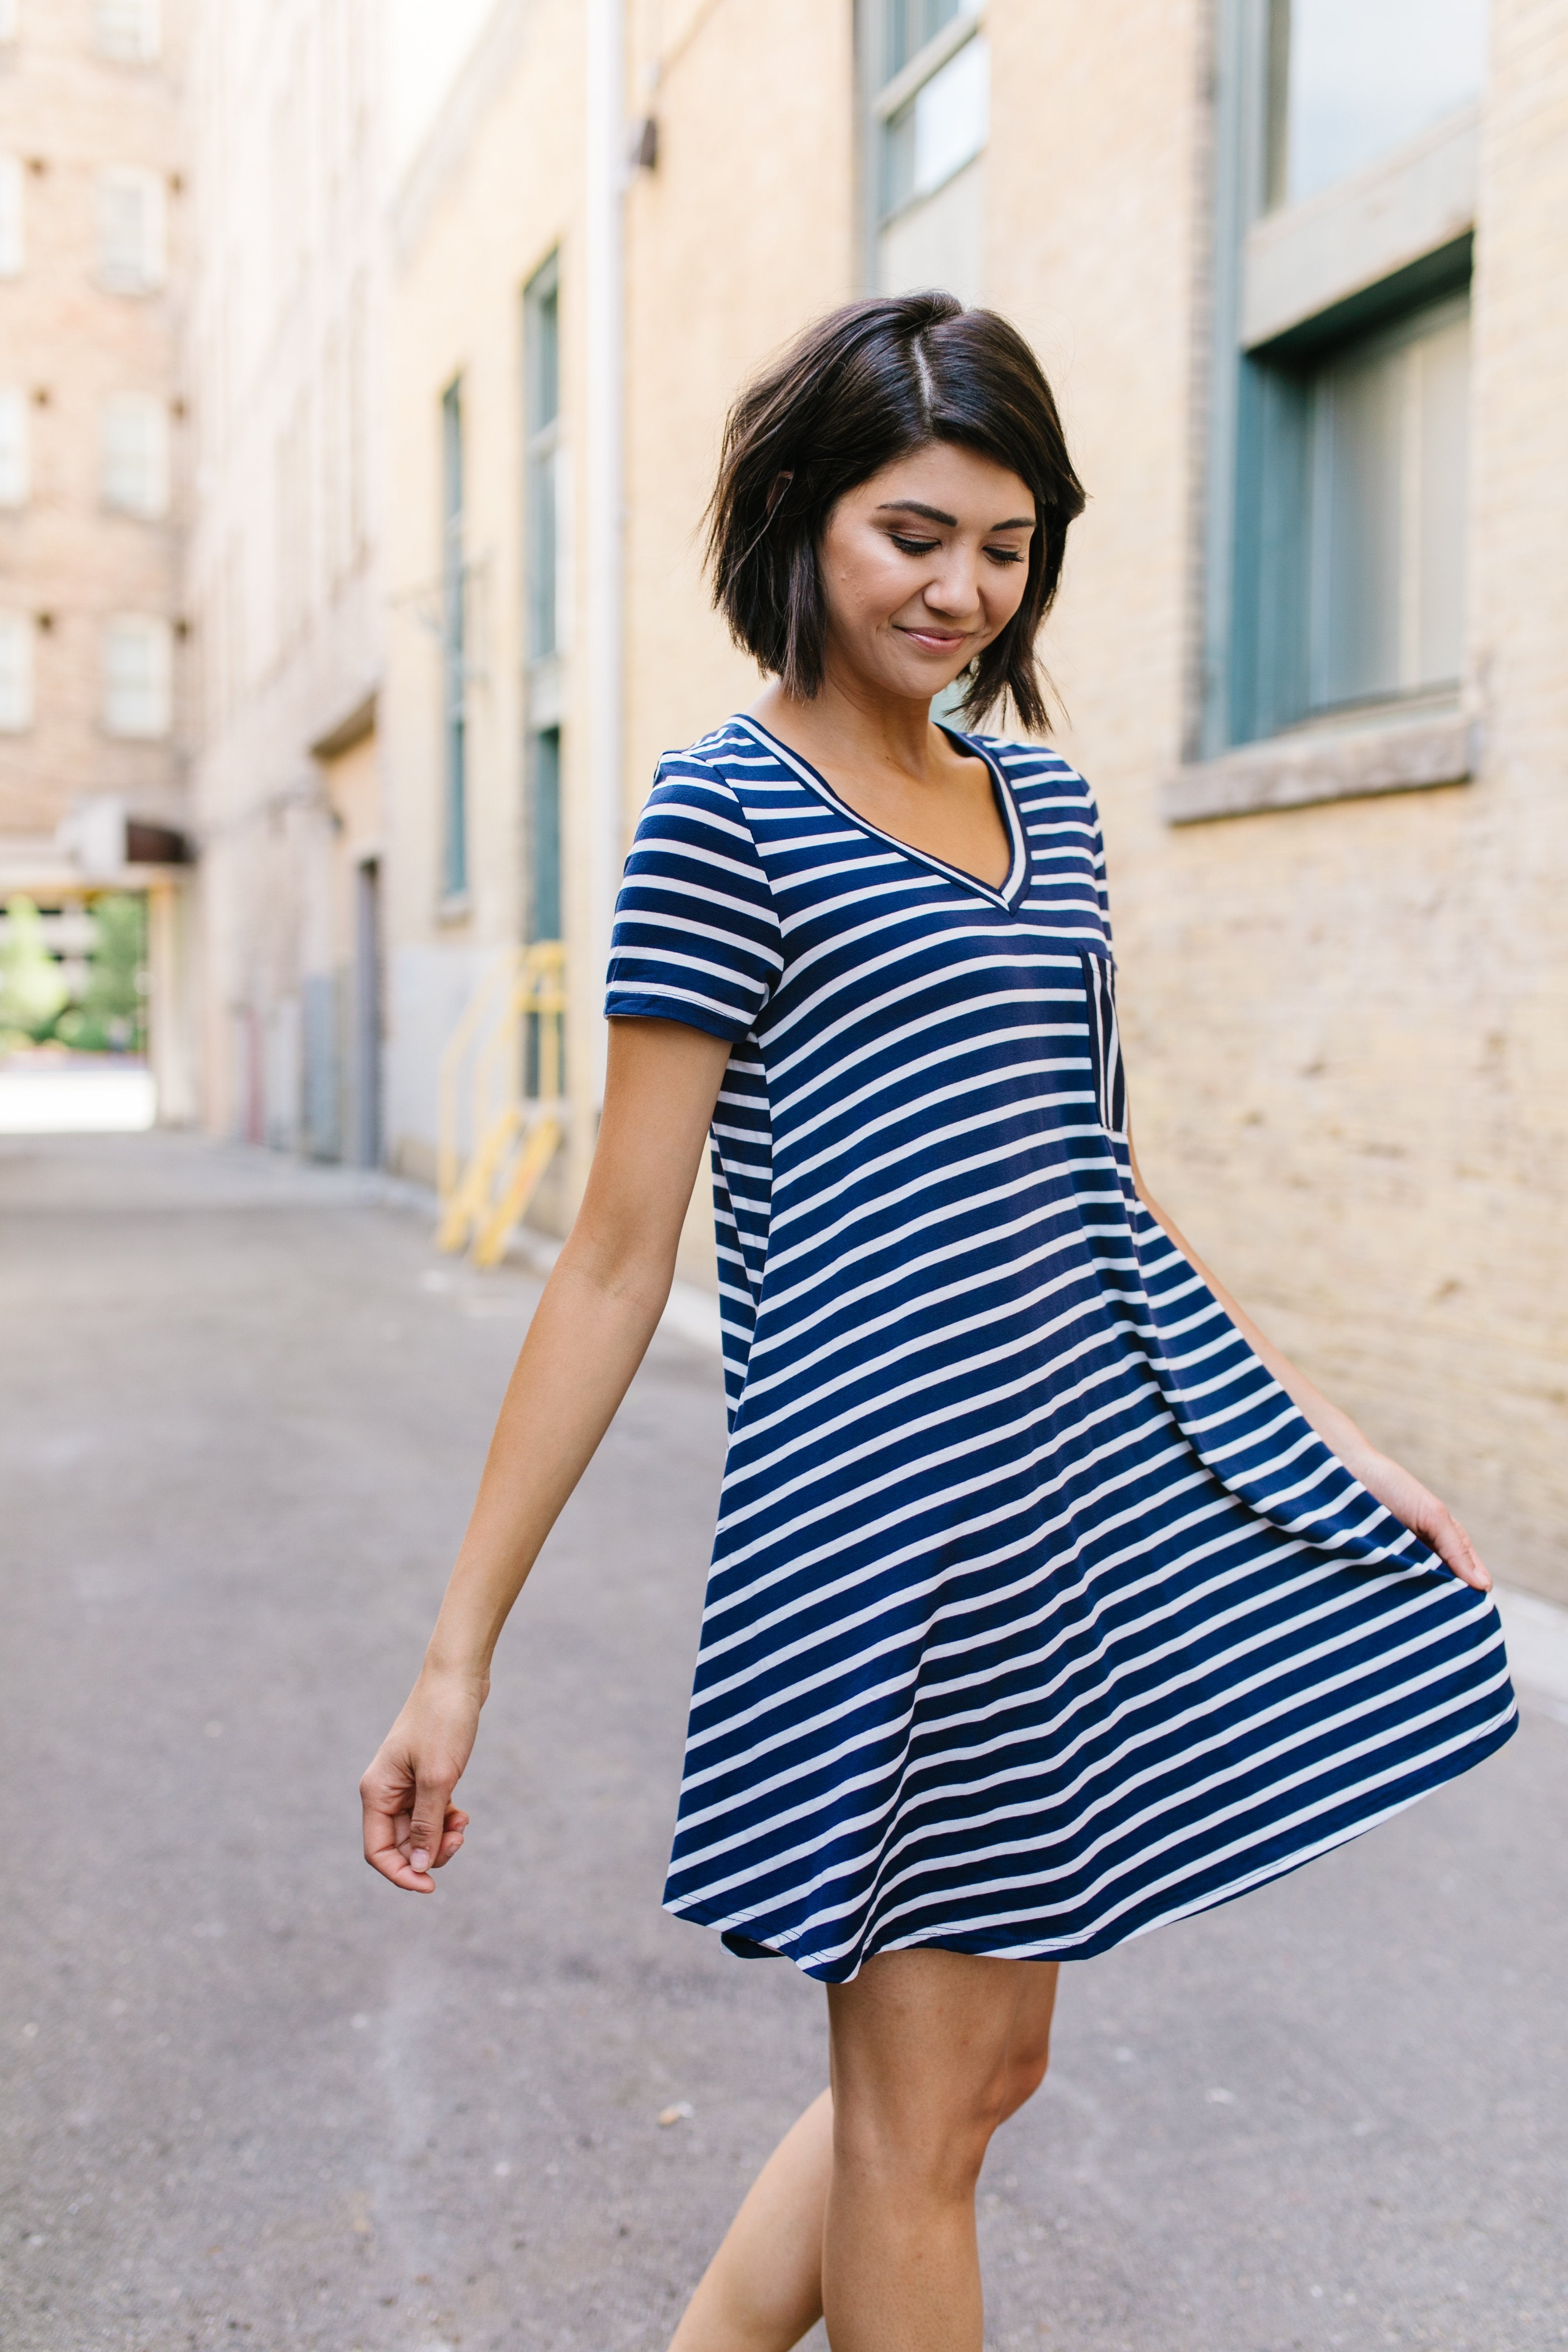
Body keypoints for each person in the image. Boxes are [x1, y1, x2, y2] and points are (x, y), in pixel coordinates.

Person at [360, 293, 1515, 2352]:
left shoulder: (1045, 813)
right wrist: (460, 1654)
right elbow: (620, 1251)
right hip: (882, 1551)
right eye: (917, 535)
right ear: (803, 516)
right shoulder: (725, 814)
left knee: (978, 2076)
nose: (965, 588)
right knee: (918, 2119)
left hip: (1067, 1512)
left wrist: (1326, 1430)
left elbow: (1106, 1178)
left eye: (1007, 543)